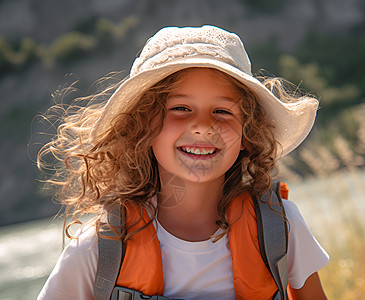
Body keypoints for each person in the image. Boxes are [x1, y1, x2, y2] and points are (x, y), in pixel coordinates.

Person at [37, 25, 329, 300]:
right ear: (142, 128)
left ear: (247, 134)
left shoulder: (280, 227)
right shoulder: (100, 249)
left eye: (222, 111)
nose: (203, 126)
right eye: (180, 108)